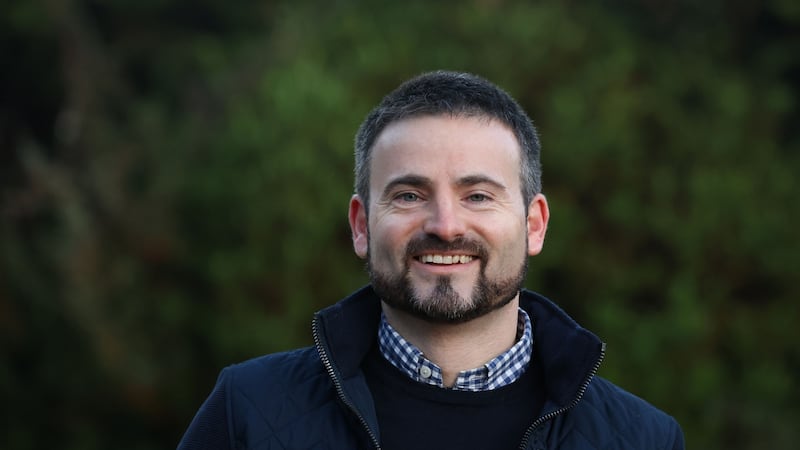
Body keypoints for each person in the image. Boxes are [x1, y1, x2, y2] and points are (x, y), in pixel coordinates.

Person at [178, 71, 685, 449]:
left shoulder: (643, 439)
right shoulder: (248, 410)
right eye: (409, 195)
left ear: (535, 225)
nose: (445, 224)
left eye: (479, 196)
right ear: (361, 225)